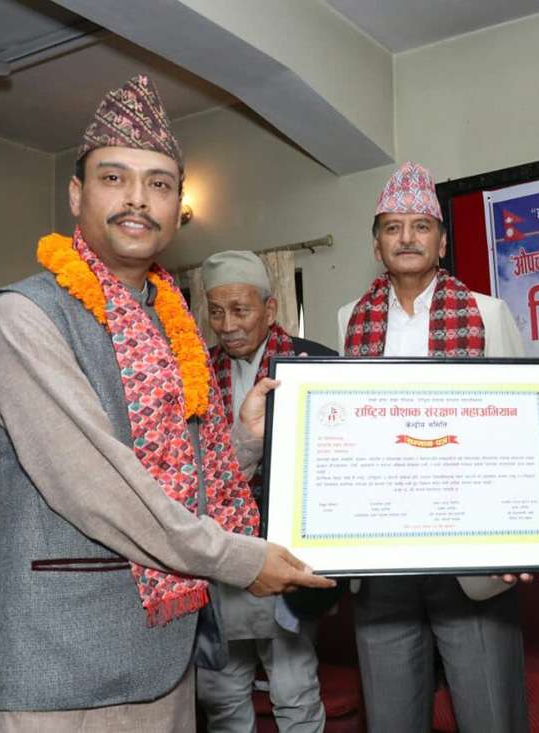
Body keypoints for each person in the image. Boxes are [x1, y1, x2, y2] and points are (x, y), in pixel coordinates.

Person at [0, 75, 333, 733]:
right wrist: (243, 559)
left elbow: (174, 474)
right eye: (114, 178)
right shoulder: (23, 318)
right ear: (77, 194)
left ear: (178, 207)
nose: (136, 198)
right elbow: (100, 488)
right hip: (49, 671)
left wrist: (241, 441)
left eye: (158, 183)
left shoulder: (168, 325)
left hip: (164, 662)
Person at [336, 161, 529, 733]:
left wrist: (522, 536)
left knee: (491, 716)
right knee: (391, 718)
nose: (407, 238)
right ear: (377, 244)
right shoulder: (350, 320)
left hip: (472, 558)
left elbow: (520, 430)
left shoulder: (488, 314)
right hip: (380, 553)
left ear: (442, 242)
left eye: (421, 226)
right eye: (392, 228)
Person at [197, 250, 336, 733]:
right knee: (221, 695)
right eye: (217, 312)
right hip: (219, 558)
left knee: (295, 691)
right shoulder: (193, 372)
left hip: (286, 560)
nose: (227, 325)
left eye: (240, 310)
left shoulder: (315, 362)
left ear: (271, 309)